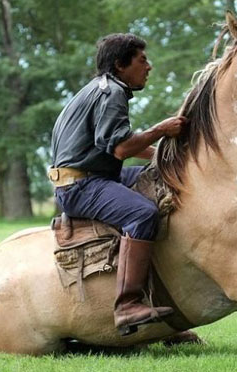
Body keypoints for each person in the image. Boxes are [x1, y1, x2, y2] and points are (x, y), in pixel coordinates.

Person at [49, 33, 186, 336]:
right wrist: (162, 129)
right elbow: (122, 149)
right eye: (142, 60)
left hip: (90, 178)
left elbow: (118, 146)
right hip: (82, 186)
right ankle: (127, 305)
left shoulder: (98, 90)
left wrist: (165, 158)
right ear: (120, 64)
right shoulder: (113, 93)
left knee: (158, 176)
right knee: (143, 214)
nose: (148, 66)